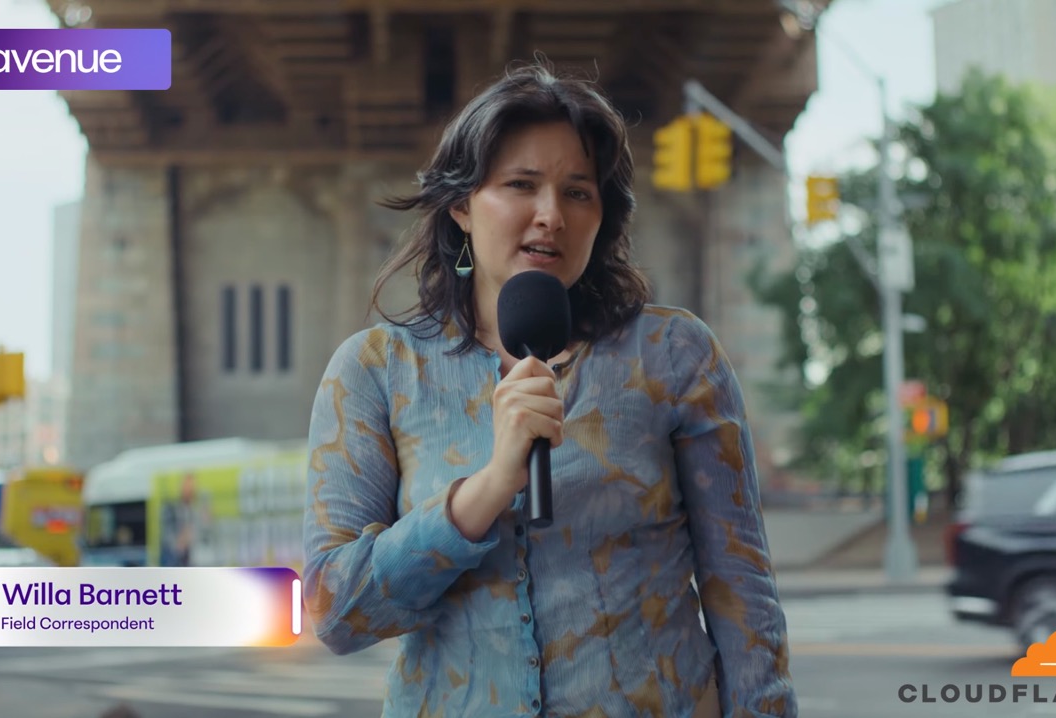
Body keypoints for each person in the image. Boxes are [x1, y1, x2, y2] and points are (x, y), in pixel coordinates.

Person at [303, 62, 796, 718]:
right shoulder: (376, 370)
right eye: (521, 185)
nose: (550, 215)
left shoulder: (673, 355)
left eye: (578, 192)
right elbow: (335, 614)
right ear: (461, 205)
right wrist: (484, 491)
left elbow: (743, 595)